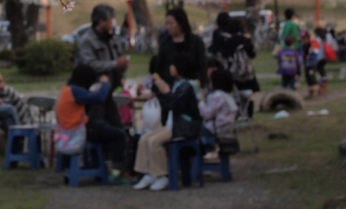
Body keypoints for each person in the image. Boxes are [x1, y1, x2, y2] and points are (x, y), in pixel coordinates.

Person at [133, 52, 202, 191]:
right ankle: (148, 172)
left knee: (154, 141)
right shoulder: (177, 84)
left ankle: (162, 174)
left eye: (173, 65)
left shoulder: (189, 86)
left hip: (183, 127)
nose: (170, 67)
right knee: (144, 138)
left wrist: (166, 93)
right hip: (171, 125)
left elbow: (176, 105)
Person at [56, 65, 129, 183]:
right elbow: (99, 98)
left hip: (68, 131)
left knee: (102, 126)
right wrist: (105, 84)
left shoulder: (66, 90)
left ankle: (98, 168)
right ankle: (117, 170)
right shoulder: (76, 91)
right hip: (78, 132)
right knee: (119, 134)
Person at [75, 4, 128, 128]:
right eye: (110, 20)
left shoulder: (112, 39)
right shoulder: (86, 41)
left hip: (109, 93)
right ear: (101, 21)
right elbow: (89, 65)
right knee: (100, 127)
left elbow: (117, 58)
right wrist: (115, 65)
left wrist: (121, 72)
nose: (113, 23)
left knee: (117, 130)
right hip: (93, 94)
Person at [210, 12, 259, 116]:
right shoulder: (246, 39)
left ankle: (238, 113)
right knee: (249, 95)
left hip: (234, 72)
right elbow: (252, 54)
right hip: (248, 72)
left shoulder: (227, 39)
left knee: (236, 94)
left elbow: (221, 52)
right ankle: (249, 115)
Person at [152, 7, 208, 88]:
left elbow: (202, 66)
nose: (168, 26)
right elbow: (159, 67)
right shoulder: (165, 43)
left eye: (171, 23)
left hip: (191, 87)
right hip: (168, 87)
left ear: (180, 23)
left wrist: (201, 85)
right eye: (167, 23)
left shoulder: (195, 42)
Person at [198, 67, 238, 143]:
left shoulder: (218, 95)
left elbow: (207, 114)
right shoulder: (228, 95)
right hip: (227, 130)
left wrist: (201, 101)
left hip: (215, 129)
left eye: (211, 80)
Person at [300, 30, 321, 98]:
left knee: (312, 77)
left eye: (305, 38)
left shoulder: (313, 45)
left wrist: (310, 57)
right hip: (306, 63)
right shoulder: (302, 45)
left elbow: (316, 54)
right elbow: (301, 53)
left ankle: (317, 91)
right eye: (302, 38)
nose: (303, 40)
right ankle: (311, 92)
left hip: (312, 64)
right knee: (307, 77)